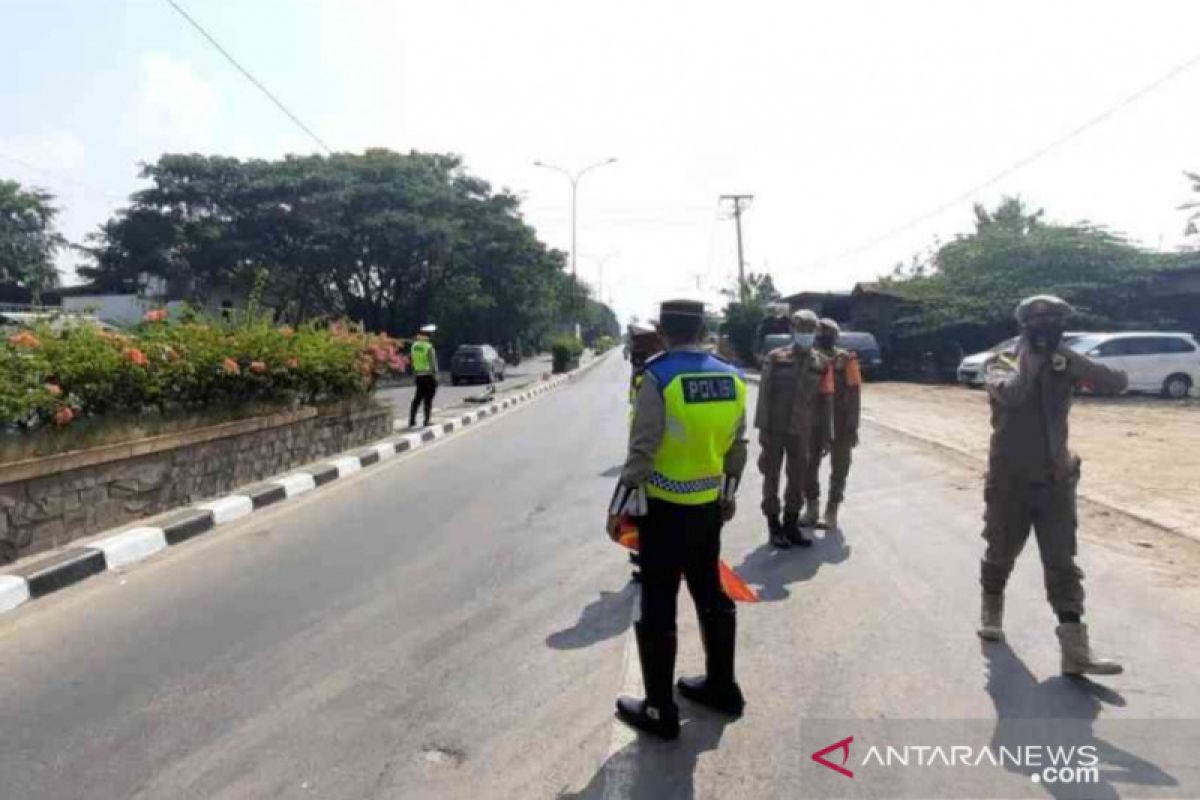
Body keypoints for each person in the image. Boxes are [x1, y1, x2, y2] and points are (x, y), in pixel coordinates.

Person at [606, 299, 748, 739]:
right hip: (708, 507)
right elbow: (736, 445)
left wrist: (619, 504)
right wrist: (726, 494)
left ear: (664, 332)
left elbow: (643, 449)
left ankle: (658, 709)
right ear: (703, 328)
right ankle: (723, 688)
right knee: (711, 593)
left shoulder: (659, 375)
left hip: (664, 510)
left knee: (659, 602)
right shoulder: (732, 375)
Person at [977, 295, 1127, 676]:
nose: (1049, 326)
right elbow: (1011, 393)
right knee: (1000, 551)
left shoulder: (1065, 357)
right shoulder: (1003, 358)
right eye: (1041, 321)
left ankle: (1075, 651)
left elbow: (1113, 383)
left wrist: (1067, 356)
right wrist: (1036, 356)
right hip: (1010, 479)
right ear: (1024, 325)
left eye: (1056, 320)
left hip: (1056, 480)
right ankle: (992, 607)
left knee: (1061, 562)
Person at [755, 309, 832, 548]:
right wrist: (763, 432)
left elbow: (825, 402)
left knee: (798, 479)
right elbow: (764, 397)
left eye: (810, 330)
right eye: (801, 329)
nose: (805, 334)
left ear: (815, 332)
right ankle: (773, 526)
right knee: (771, 476)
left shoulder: (822, 363)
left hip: (803, 430)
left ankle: (791, 525)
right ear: (792, 330)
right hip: (775, 428)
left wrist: (825, 436)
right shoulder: (777, 357)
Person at [802, 318, 862, 531]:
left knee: (840, 467)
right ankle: (811, 508)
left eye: (828, 333)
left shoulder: (847, 360)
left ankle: (831, 510)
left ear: (835, 336)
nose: (823, 336)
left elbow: (855, 394)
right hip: (812, 422)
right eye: (820, 332)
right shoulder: (807, 358)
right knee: (808, 467)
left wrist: (853, 425)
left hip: (841, 421)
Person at [624, 321, 665, 582]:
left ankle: (652, 563)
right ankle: (644, 557)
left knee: (650, 513)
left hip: (653, 454)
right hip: (640, 444)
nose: (633, 350)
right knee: (642, 511)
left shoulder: (656, 373)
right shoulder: (642, 371)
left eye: (638, 343)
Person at [408, 324, 439, 428]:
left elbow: (412, 361)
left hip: (418, 375)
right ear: (428, 336)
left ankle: (412, 420)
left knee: (417, 398)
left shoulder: (414, 346)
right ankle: (426, 420)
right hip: (429, 375)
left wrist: (414, 373)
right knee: (428, 399)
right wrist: (436, 376)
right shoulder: (428, 347)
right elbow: (433, 363)